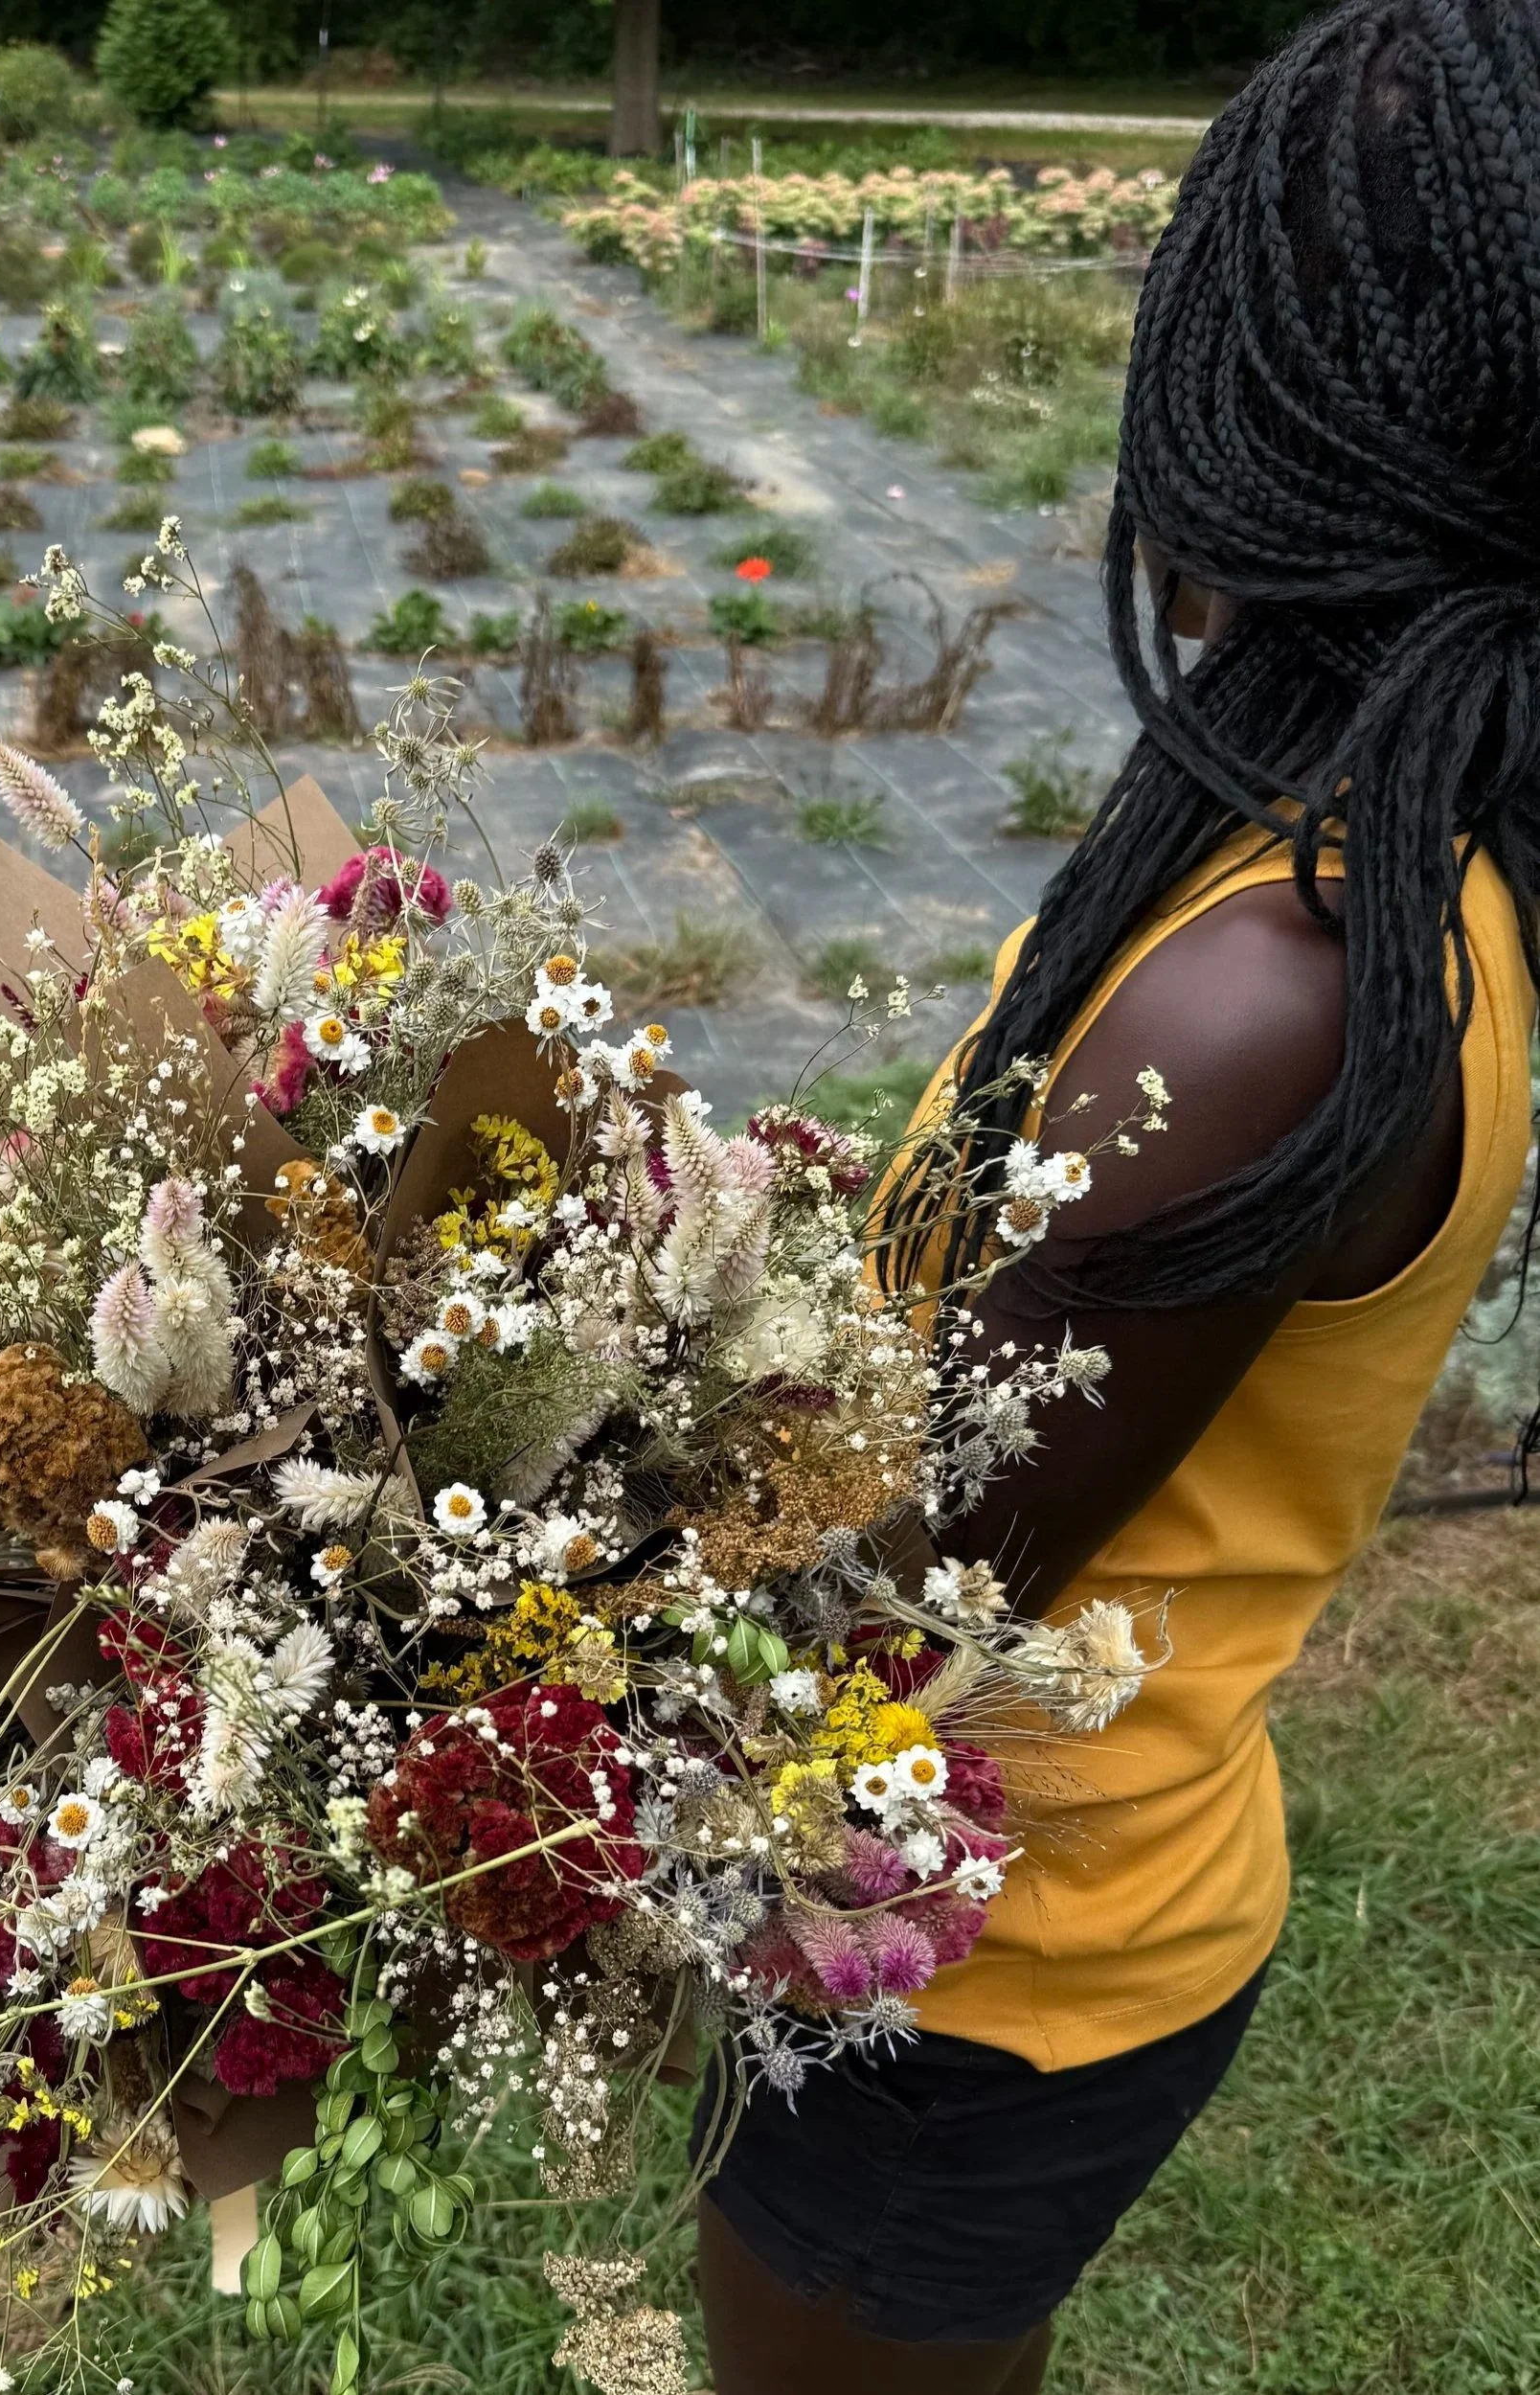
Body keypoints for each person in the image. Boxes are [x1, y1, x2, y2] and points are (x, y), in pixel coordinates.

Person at [695, 5, 1540, 2388]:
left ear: (1265, 394)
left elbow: (877, 1588)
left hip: (976, 1968)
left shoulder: (1271, 989)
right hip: (1047, 1889)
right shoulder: (1355, 855)